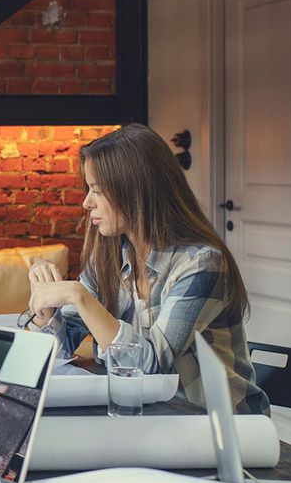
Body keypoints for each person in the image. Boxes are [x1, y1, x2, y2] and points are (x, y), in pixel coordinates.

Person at [23, 123, 269, 414]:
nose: (86, 203)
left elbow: (149, 365)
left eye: (97, 191)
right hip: (154, 419)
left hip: (223, 431)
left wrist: (80, 296)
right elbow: (59, 350)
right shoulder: (109, 257)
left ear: (136, 192)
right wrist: (45, 314)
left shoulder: (201, 265)